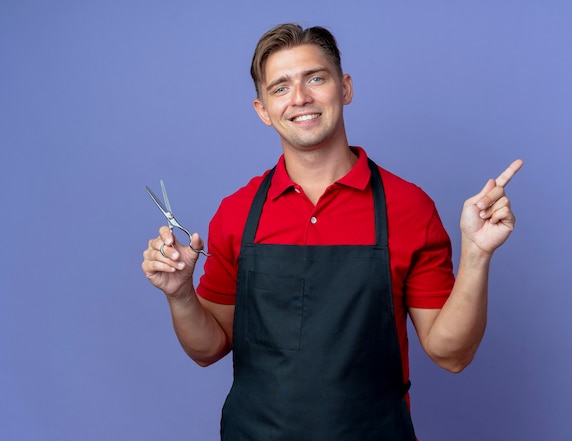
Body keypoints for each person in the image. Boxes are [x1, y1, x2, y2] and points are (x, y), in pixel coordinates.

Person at [142, 23, 523, 440]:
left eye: (316, 79)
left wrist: (477, 254)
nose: (300, 98)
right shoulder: (237, 213)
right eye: (281, 87)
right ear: (262, 110)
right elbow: (207, 349)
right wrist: (180, 294)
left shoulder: (408, 207)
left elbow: (452, 354)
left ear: (345, 88)